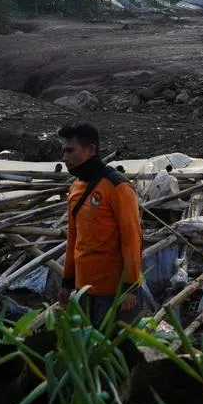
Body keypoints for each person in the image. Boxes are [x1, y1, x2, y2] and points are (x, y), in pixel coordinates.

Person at [57, 123, 143, 326]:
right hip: (84, 288)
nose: (64, 157)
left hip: (112, 290)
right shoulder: (76, 187)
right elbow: (73, 238)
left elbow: (132, 238)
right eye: (63, 151)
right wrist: (67, 282)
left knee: (112, 348)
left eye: (70, 150)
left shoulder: (117, 186)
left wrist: (130, 287)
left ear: (91, 150)